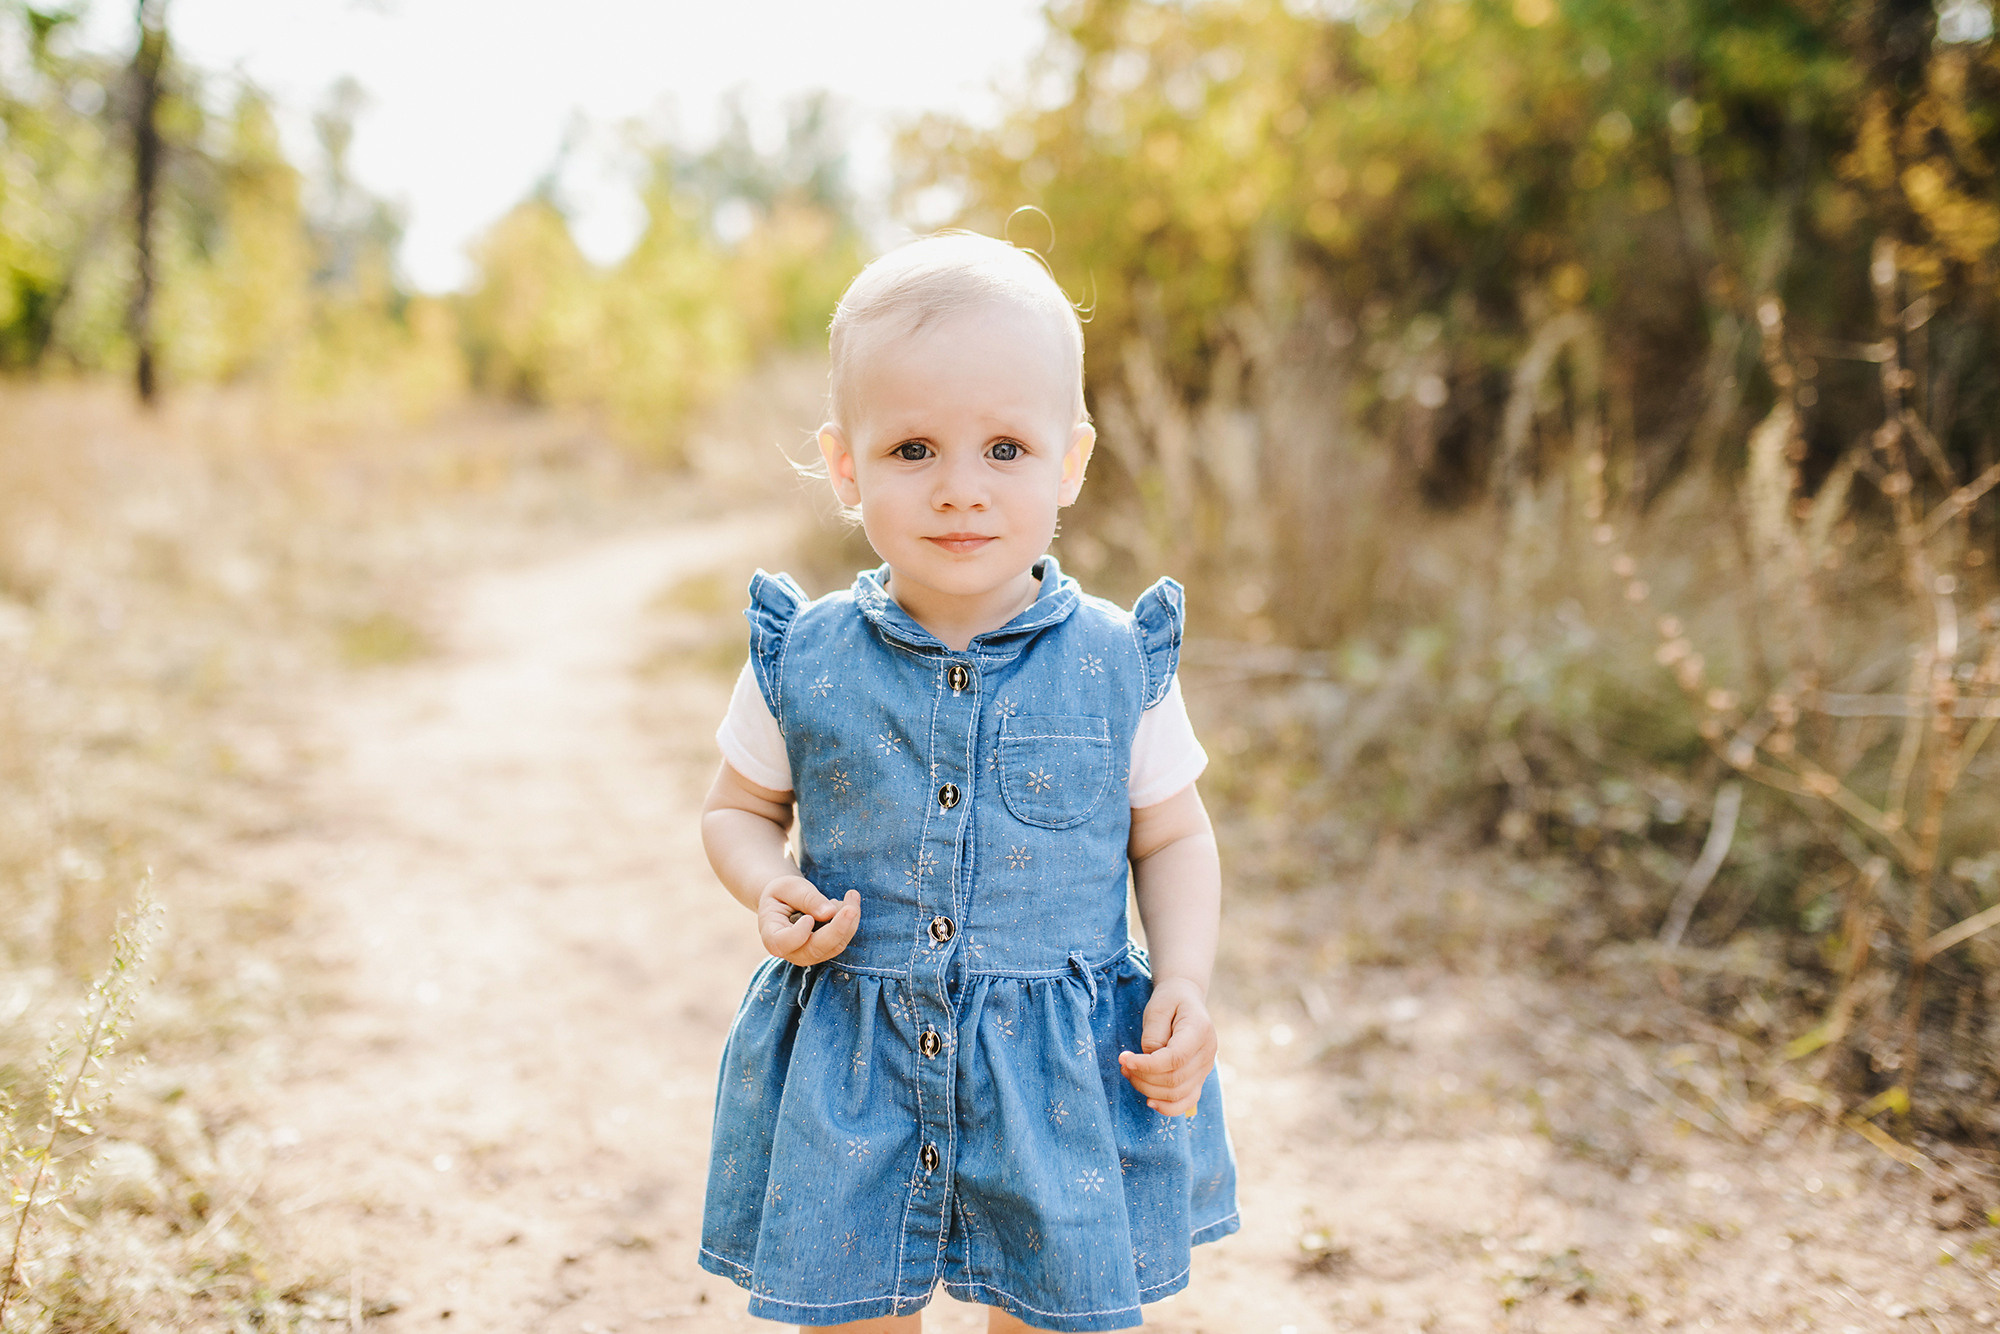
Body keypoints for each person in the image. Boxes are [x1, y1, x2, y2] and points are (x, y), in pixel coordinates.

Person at [697, 230, 1237, 1333]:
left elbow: (1170, 834)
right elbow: (737, 808)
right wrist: (763, 883)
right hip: (855, 1061)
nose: (958, 491)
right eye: (910, 450)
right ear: (844, 464)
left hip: (1059, 1072)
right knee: (853, 1314)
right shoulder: (802, 655)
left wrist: (1182, 969)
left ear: (1069, 463)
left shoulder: (1113, 660)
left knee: (1053, 1316)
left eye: (1003, 448)